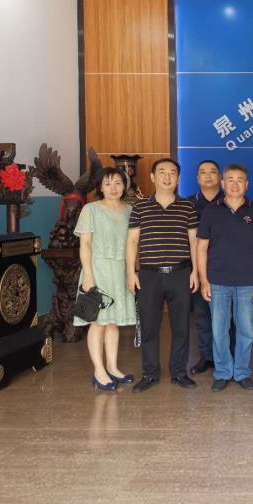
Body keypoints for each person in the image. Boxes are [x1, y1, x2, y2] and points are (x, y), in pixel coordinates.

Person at [126, 158, 199, 393]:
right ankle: (150, 373)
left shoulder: (187, 206)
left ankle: (179, 372)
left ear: (178, 177)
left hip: (180, 273)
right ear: (152, 177)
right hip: (149, 275)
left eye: (172, 173)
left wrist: (196, 271)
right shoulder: (140, 207)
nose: (168, 177)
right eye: (162, 172)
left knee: (181, 327)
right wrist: (131, 273)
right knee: (149, 327)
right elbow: (132, 241)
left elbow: (194, 241)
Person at [197, 164, 253, 392]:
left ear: (247, 184)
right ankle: (223, 372)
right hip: (217, 281)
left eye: (240, 180)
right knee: (219, 330)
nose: (235, 184)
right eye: (231, 180)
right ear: (223, 183)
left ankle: (242, 372)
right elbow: (201, 247)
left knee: (246, 329)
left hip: (248, 282)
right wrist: (204, 280)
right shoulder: (211, 211)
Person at [75, 167, 137, 391]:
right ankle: (99, 370)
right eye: (108, 183)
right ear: (100, 187)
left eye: (118, 183)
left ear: (125, 185)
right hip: (98, 269)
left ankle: (112, 367)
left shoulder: (130, 210)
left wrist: (132, 271)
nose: (113, 188)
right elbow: (85, 244)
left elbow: (133, 244)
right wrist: (88, 276)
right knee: (98, 322)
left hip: (120, 270)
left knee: (113, 322)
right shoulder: (91, 209)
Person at [186, 160, 226, 376]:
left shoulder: (231, 200)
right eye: (203, 172)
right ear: (197, 178)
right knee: (202, 316)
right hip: (197, 267)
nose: (208, 176)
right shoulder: (188, 204)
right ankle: (206, 356)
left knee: (227, 317)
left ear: (220, 177)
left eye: (212, 172)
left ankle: (225, 356)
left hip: (226, 267)